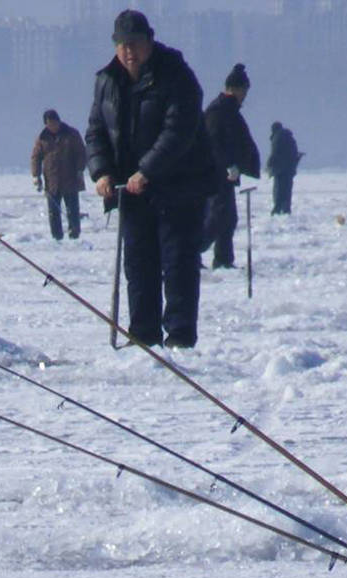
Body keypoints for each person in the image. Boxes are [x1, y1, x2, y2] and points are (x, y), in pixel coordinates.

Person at [87, 9, 220, 349]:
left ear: (149, 41)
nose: (128, 51)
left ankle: (179, 338)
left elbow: (179, 131)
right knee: (139, 265)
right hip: (131, 192)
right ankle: (142, 336)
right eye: (122, 44)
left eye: (135, 43)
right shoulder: (106, 80)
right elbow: (96, 132)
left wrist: (147, 170)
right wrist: (101, 171)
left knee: (177, 265)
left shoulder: (175, 75)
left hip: (178, 187)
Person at [200, 63, 261, 270]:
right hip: (215, 175)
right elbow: (213, 143)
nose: (245, 96)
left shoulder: (230, 110)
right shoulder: (218, 111)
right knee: (216, 218)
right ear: (234, 89)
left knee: (228, 218)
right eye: (244, 90)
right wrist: (227, 166)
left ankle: (224, 259)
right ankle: (190, 252)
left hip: (226, 176)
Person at [31, 108, 88, 242]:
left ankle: (74, 235)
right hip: (52, 181)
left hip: (71, 179)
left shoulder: (72, 134)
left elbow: (81, 153)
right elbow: (35, 157)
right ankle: (57, 237)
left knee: (72, 209)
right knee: (53, 212)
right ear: (46, 124)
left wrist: (80, 169)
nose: (53, 126)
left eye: (54, 123)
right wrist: (36, 176)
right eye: (50, 124)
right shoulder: (42, 138)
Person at [266, 121, 301, 216]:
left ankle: (277, 209)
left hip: (280, 170)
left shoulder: (277, 138)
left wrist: (269, 165)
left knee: (278, 190)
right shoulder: (290, 137)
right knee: (287, 190)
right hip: (290, 169)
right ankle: (286, 209)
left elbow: (275, 153)